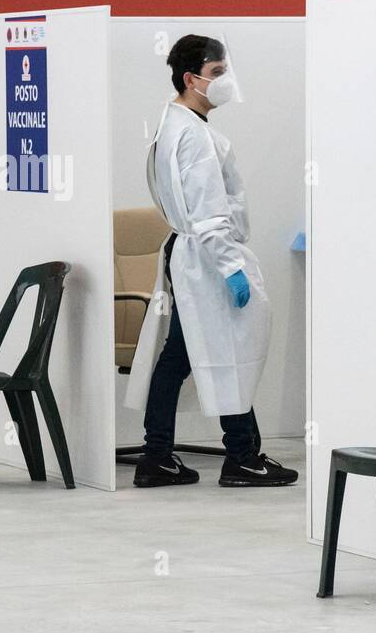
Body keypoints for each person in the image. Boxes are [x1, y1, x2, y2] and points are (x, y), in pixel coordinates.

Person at [123, 34, 297, 488]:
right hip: (207, 258)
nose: (224, 81)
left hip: (188, 253)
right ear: (191, 78)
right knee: (229, 353)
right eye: (217, 73)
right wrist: (232, 269)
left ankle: (158, 455)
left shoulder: (171, 124)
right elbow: (209, 212)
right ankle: (242, 457)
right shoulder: (196, 138)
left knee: (179, 356)